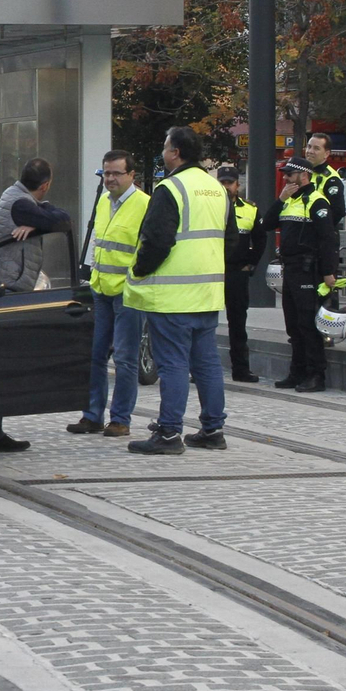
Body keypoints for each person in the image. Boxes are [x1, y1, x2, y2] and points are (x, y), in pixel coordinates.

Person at [124, 126, 233, 453]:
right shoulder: (217, 189)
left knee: (173, 365)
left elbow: (157, 240)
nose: (163, 152)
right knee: (207, 364)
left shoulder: (170, 188)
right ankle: (213, 430)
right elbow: (230, 239)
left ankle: (169, 433)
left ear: (176, 153)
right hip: (207, 293)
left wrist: (140, 269)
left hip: (173, 296)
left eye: (165, 146)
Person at [0, 157, 73, 452]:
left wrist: (33, 225)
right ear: (45, 185)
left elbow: (53, 216)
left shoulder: (18, 200)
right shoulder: (20, 205)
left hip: (6, 286)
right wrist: (38, 220)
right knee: (1, 361)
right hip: (4, 290)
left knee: (1, 361)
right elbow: (63, 221)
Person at [66, 150, 147, 437]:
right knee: (95, 355)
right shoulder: (103, 201)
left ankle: (121, 419)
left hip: (128, 293)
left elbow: (147, 250)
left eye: (116, 173)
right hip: (101, 289)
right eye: (106, 173)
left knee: (125, 358)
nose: (110, 178)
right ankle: (92, 415)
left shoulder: (144, 205)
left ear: (131, 175)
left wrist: (134, 281)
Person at [262, 157, 339, 394]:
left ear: (304, 176)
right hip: (291, 270)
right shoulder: (288, 201)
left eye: (290, 174)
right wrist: (280, 199)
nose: (285, 178)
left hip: (309, 270)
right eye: (284, 174)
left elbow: (328, 239)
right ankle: (297, 372)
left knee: (308, 324)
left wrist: (328, 272)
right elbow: (267, 223)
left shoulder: (317, 202)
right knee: (293, 324)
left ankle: (316, 375)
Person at [218, 164, 266, 382]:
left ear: (238, 185)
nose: (226, 186)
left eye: (229, 182)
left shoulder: (250, 209)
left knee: (238, 323)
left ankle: (240, 369)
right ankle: (199, 369)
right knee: (204, 323)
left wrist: (251, 265)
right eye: (222, 182)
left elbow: (261, 240)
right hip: (213, 272)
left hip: (237, 272)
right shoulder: (210, 208)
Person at [304, 133, 346, 230]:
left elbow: (338, 211)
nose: (310, 151)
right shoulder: (303, 172)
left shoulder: (331, 178)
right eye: (309, 147)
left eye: (316, 148)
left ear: (326, 154)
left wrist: (321, 230)